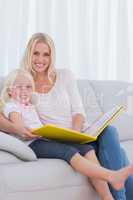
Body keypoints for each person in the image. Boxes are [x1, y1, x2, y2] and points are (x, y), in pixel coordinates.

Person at [0, 33, 132, 199]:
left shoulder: (65, 76)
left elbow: (78, 112)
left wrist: (76, 135)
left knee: (110, 131)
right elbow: (6, 109)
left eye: (46, 54)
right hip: (56, 138)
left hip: (78, 133)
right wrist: (15, 127)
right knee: (118, 153)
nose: (40, 59)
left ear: (52, 56)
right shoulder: (24, 83)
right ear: (29, 54)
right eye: (36, 53)